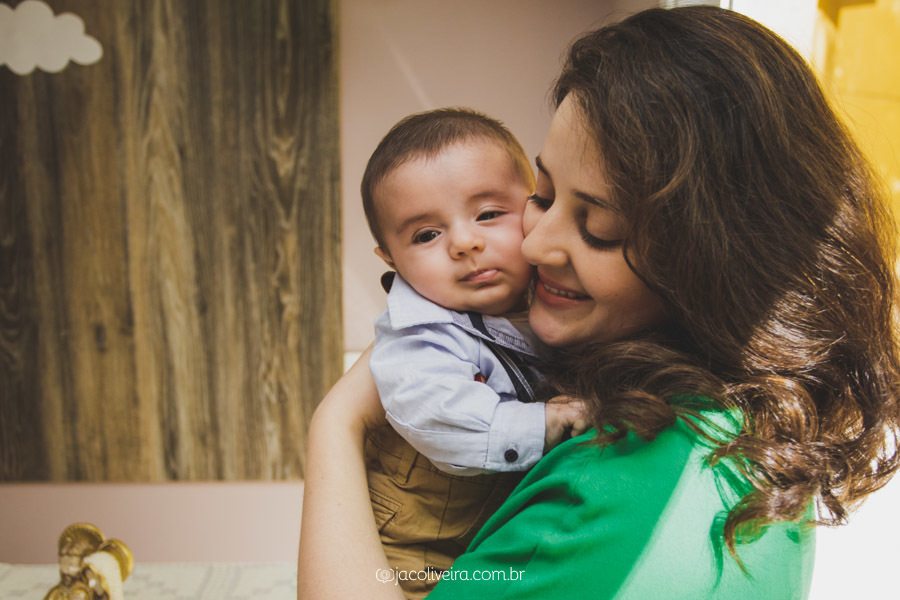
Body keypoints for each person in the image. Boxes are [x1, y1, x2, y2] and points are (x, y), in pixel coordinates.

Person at [298, 6, 900, 599]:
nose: (532, 244)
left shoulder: (610, 496)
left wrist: (336, 421)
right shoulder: (758, 419)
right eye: (542, 196)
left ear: (711, 260)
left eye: (599, 228)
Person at [359, 108, 588, 598]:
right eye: (426, 235)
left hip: (493, 529)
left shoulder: (555, 296)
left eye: (488, 214)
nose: (465, 243)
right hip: (418, 544)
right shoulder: (419, 336)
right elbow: (439, 416)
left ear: (534, 208)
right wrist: (544, 423)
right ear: (391, 259)